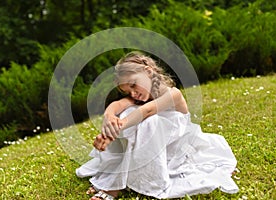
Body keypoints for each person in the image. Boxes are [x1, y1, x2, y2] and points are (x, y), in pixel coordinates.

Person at [76, 51, 239, 200]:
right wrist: (109, 117)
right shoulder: (141, 96)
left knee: (147, 121)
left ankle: (122, 185)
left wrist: (115, 130)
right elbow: (119, 104)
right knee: (127, 113)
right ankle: (116, 178)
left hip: (175, 146)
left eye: (133, 84)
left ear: (148, 71)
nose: (133, 93)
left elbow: (147, 111)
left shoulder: (173, 94)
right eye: (128, 91)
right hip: (151, 144)